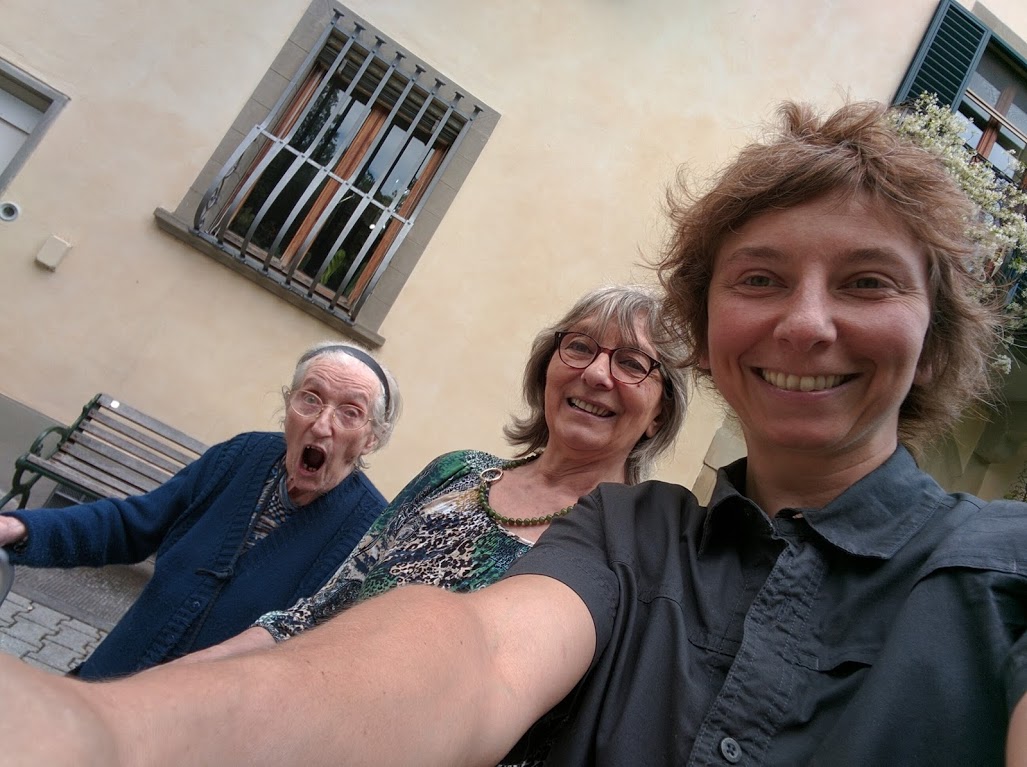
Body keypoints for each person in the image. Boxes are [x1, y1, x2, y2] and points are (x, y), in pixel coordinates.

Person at [1, 99, 1026, 766]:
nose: (804, 322)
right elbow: (466, 652)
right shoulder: (625, 536)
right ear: (712, 328)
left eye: (866, 282)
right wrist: (109, 727)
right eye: (759, 277)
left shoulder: (1004, 570)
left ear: (934, 333)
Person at [179, 284, 688, 667]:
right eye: (579, 347)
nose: (596, 373)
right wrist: (189, 676)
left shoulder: (635, 551)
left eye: (631, 363)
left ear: (660, 412)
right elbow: (317, 613)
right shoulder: (457, 472)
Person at [0, 341, 399, 679]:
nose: (322, 425)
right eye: (310, 399)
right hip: (106, 686)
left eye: (350, 412)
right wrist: (20, 528)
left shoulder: (371, 536)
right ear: (288, 404)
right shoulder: (240, 457)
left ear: (371, 439)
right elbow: (132, 525)